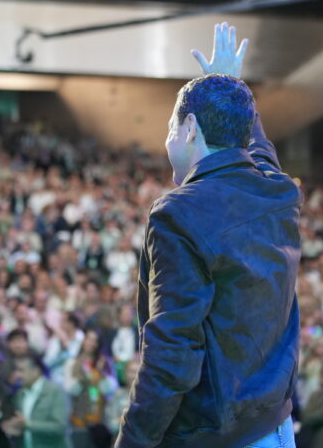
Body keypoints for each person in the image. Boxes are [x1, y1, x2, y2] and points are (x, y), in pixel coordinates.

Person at [115, 24, 302, 447]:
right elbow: (257, 148)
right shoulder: (279, 189)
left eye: (170, 128)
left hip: (214, 437)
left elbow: (173, 352)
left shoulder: (178, 213)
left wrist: (132, 441)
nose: (168, 140)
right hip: (275, 428)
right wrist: (231, 88)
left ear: (191, 129)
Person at [3, 357, 69, 448]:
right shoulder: (19, 394)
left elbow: (60, 427)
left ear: (36, 371)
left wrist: (28, 424)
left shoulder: (54, 391)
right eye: (16, 370)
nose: (18, 375)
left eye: (21, 370)